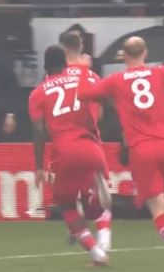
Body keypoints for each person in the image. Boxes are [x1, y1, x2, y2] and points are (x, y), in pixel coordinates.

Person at [77, 35, 164, 271]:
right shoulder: (160, 73)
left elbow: (83, 94)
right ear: (145, 53)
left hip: (142, 151)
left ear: (123, 56)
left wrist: (83, 69)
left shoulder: (115, 80)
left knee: (157, 210)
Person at [29, 46, 110, 265]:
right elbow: (101, 107)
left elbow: (38, 131)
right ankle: (104, 237)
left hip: (63, 151)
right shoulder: (82, 82)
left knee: (66, 205)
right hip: (92, 146)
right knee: (98, 204)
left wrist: (39, 166)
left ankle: (96, 252)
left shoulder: (38, 93)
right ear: (66, 64)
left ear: (45, 67)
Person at [60, 32, 112, 251]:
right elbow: (99, 114)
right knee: (100, 195)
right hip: (91, 141)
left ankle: (79, 230)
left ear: (63, 48)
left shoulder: (53, 77)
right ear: (81, 47)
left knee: (68, 199)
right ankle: (104, 240)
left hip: (64, 143)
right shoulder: (92, 77)